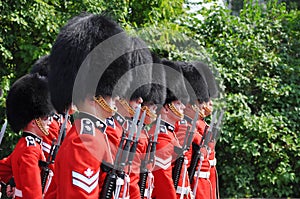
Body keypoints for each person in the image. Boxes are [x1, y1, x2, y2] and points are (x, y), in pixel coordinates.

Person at [45, 13, 132, 199]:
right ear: (94, 95)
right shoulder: (86, 140)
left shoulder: (98, 136)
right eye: (111, 92)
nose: (116, 97)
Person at [0, 73, 54, 199]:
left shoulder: (26, 145)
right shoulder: (30, 150)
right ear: (34, 122)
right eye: (46, 117)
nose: (50, 121)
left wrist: (13, 180)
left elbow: (6, 169)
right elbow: (33, 194)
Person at [150, 59, 192, 199]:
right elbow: (164, 186)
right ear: (167, 107)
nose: (183, 108)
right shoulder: (162, 138)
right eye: (178, 103)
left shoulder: (169, 135)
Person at [180, 61, 213, 199]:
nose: (206, 105)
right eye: (200, 102)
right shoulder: (185, 130)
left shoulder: (198, 129)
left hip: (203, 186)